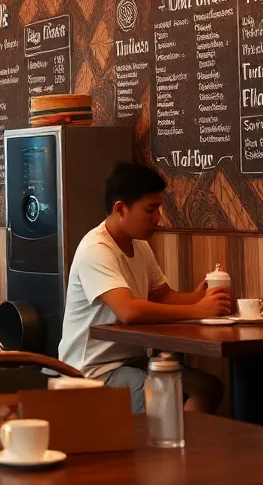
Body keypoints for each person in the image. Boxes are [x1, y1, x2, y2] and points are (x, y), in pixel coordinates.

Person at [58, 163, 228, 414]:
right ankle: (169, 445)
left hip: (134, 364)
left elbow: (163, 296)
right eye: (150, 209)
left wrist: (201, 297)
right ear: (120, 209)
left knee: (208, 388)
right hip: (93, 373)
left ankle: (180, 447)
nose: (158, 217)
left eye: (158, 208)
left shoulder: (139, 245)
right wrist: (197, 309)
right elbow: (129, 311)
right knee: (170, 399)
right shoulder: (96, 250)